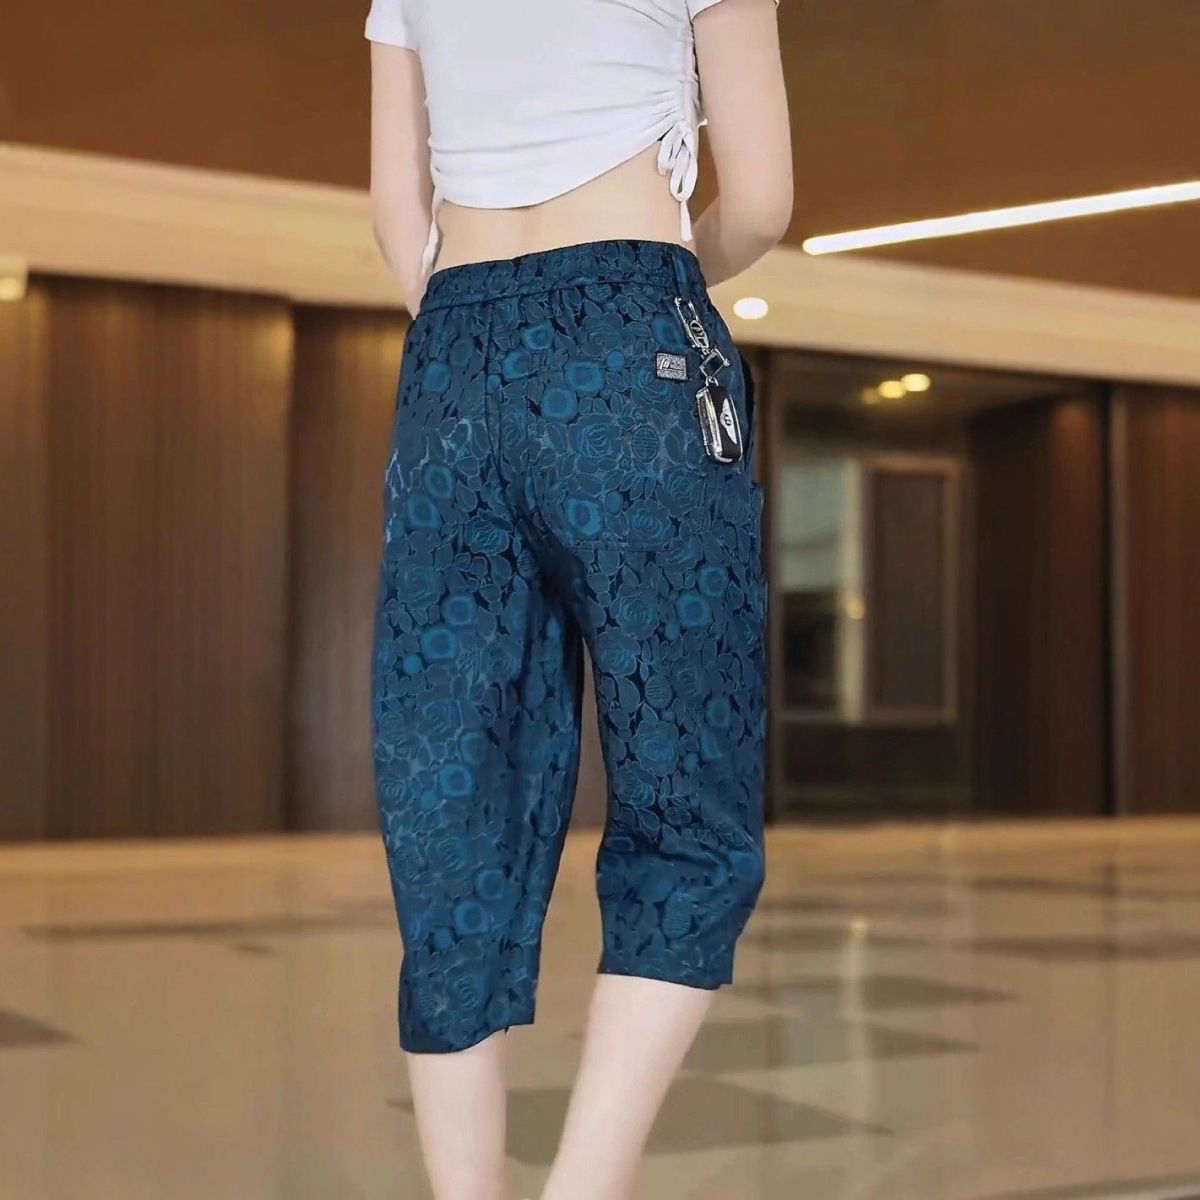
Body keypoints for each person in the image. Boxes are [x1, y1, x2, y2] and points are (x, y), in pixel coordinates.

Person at [365, 2, 791, 1197]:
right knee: (683, 803)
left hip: (450, 362)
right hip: (632, 338)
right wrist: (653, 278)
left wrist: (483, 326)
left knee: (452, 806)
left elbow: (399, 217)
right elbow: (763, 201)